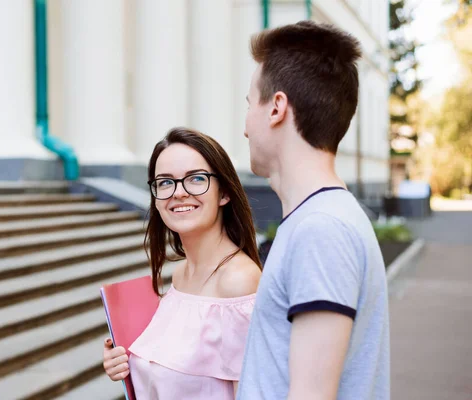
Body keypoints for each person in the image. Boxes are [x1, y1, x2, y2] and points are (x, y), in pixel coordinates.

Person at [237, 21, 390, 400]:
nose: (244, 128)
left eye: (249, 104)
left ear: (276, 108)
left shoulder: (320, 230)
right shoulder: (320, 219)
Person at [102, 127, 262, 399]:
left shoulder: (238, 283)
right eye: (165, 182)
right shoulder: (180, 276)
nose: (178, 193)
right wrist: (124, 363)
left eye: (196, 179)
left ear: (224, 193)